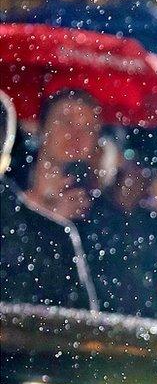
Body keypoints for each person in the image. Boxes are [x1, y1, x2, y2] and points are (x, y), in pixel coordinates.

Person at [0, 90, 98, 310]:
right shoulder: (10, 187)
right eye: (66, 121)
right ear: (40, 128)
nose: (76, 134)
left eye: (88, 128)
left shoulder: (103, 214)